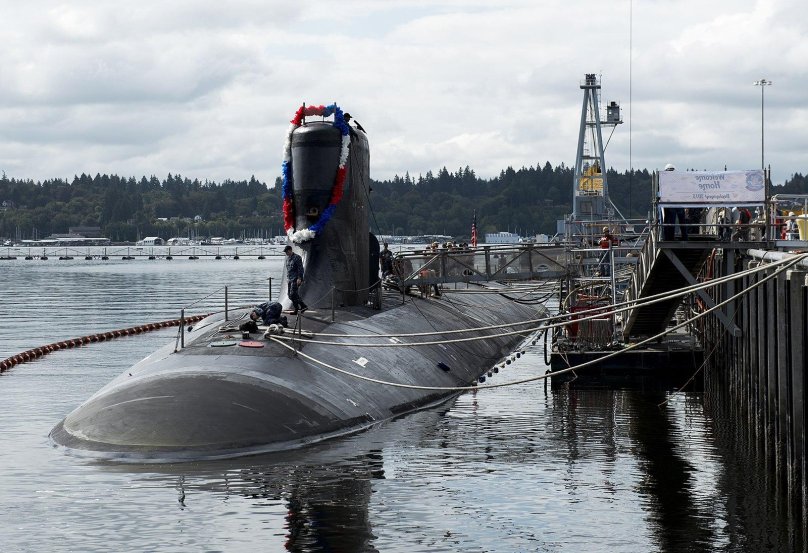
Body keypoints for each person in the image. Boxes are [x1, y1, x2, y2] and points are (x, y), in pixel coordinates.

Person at [283, 245, 308, 314]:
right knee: (290, 295)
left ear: (290, 250)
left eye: (287, 251)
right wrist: (287, 278)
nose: (286, 253)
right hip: (290, 279)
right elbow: (288, 270)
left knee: (293, 294)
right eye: (285, 252)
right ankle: (303, 306)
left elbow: (300, 269)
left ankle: (296, 310)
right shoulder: (288, 259)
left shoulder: (297, 258)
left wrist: (300, 278)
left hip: (295, 278)